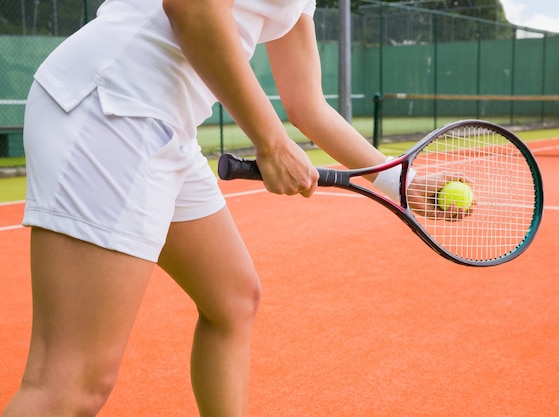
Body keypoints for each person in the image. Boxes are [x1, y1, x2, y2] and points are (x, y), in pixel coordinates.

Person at [1, 0, 468, 416]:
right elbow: (191, 7)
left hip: (165, 126)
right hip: (112, 108)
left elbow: (309, 106)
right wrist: (271, 141)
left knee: (233, 300)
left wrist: (401, 181)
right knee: (70, 385)